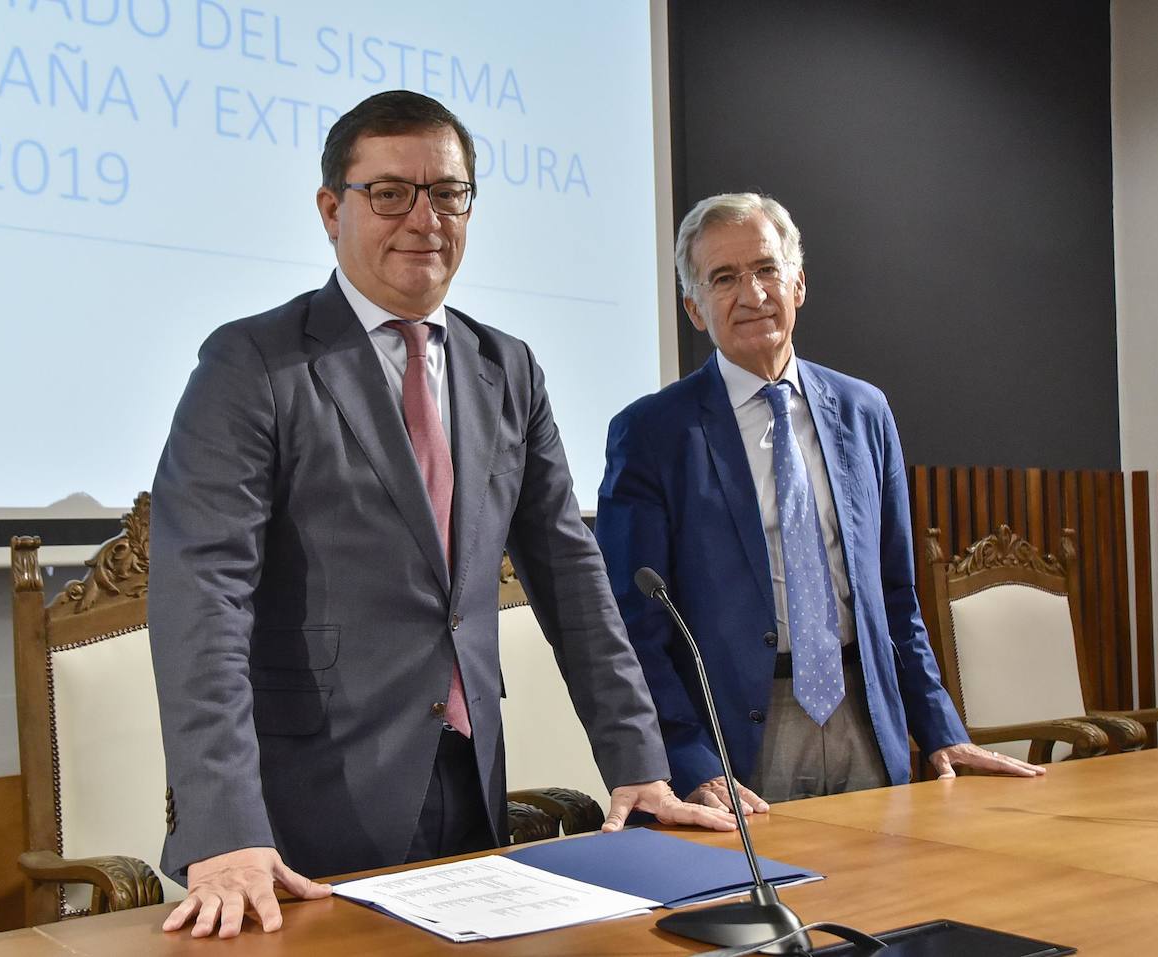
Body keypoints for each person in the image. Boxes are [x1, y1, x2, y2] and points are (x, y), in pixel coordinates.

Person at [147, 91, 733, 940]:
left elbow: (573, 578)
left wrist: (638, 764)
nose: (423, 217)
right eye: (390, 192)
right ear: (330, 209)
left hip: (470, 780)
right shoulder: (253, 364)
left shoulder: (509, 367)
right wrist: (226, 826)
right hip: (302, 810)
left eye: (447, 193)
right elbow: (203, 601)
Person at [596, 192, 1044, 817]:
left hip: (866, 711)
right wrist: (690, 760)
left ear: (799, 283)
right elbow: (635, 625)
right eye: (723, 278)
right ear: (694, 309)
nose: (750, 294)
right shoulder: (650, 432)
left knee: (883, 906)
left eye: (765, 269)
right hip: (738, 743)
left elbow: (896, 596)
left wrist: (940, 728)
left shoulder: (865, 412)